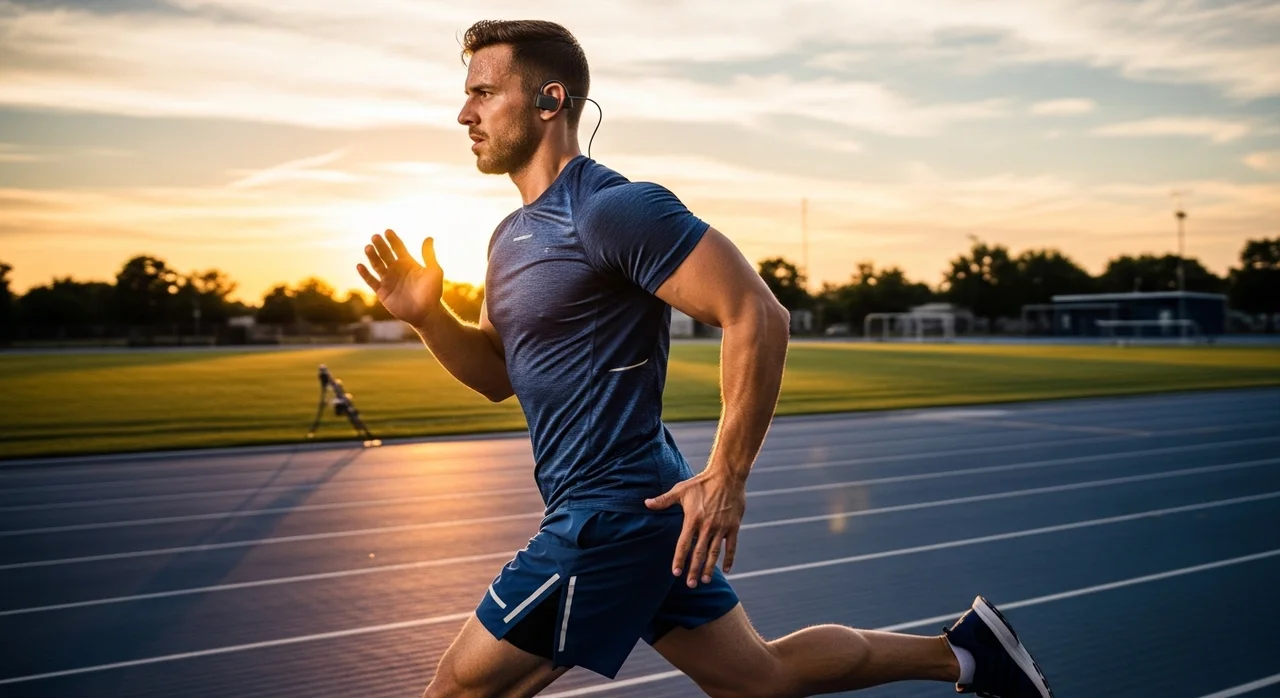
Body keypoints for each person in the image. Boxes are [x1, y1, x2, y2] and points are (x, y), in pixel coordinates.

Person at [355, 19, 1054, 698]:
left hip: (611, 516)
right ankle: (965, 654)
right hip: (641, 506)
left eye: (482, 93)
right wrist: (427, 318)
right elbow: (497, 376)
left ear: (549, 101)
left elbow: (758, 314)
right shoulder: (509, 237)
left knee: (457, 690)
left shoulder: (611, 210)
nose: (462, 113)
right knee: (758, 678)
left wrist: (727, 474)